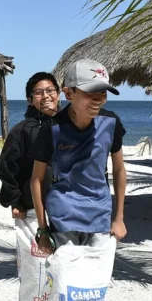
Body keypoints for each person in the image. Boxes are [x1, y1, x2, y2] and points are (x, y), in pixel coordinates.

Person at [29, 59, 127, 252]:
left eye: (103, 92)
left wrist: (119, 218)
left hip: (100, 215)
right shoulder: (52, 129)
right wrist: (43, 229)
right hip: (63, 215)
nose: (98, 99)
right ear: (69, 93)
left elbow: (119, 169)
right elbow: (36, 179)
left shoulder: (111, 123)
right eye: (90, 92)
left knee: (98, 271)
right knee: (67, 271)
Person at [0, 72, 61, 301]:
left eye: (50, 90)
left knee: (63, 269)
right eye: (38, 92)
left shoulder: (70, 126)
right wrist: (14, 199)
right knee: (35, 270)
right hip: (32, 210)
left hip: (66, 208)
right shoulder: (22, 130)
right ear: (30, 99)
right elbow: (7, 166)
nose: (45, 96)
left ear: (59, 93)